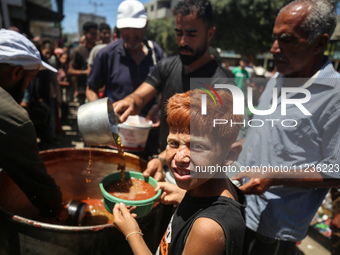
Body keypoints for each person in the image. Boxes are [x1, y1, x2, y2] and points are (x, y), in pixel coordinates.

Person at [232, 1, 340, 254]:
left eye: (287, 40)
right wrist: (235, 148)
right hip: (241, 206)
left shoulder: (334, 96)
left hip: (274, 228)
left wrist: (273, 177)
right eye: (274, 38)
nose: (273, 48)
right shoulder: (278, 77)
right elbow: (262, 131)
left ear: (319, 43)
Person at [113, 89, 246, 255]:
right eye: (174, 143)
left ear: (229, 155)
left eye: (198, 147)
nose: (181, 157)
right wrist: (183, 196)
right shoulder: (204, 187)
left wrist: (132, 234)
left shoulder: (209, 228)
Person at [113, 0, 233, 181]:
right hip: (162, 162)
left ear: (210, 34)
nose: (183, 41)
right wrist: (128, 102)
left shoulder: (221, 85)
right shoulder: (167, 66)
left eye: (191, 34)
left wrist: (161, 158)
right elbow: (140, 96)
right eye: (179, 33)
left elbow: (205, 141)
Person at [0, 29, 63, 217]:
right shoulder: (12, 117)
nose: (27, 87)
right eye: (30, 79)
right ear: (17, 72)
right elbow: (41, 190)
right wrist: (60, 209)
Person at [86, 0, 163, 117]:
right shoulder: (106, 54)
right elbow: (91, 89)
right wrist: (103, 117)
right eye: (126, 27)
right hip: (118, 127)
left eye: (137, 27)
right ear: (119, 27)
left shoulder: (155, 52)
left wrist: (158, 106)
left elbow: (163, 87)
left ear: (146, 24)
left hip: (150, 126)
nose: (131, 33)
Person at [69, 21, 98, 105]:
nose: (95, 37)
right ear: (85, 33)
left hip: (96, 90)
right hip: (83, 91)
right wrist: (85, 72)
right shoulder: (77, 51)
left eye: (96, 34)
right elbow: (70, 71)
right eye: (92, 34)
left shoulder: (98, 51)